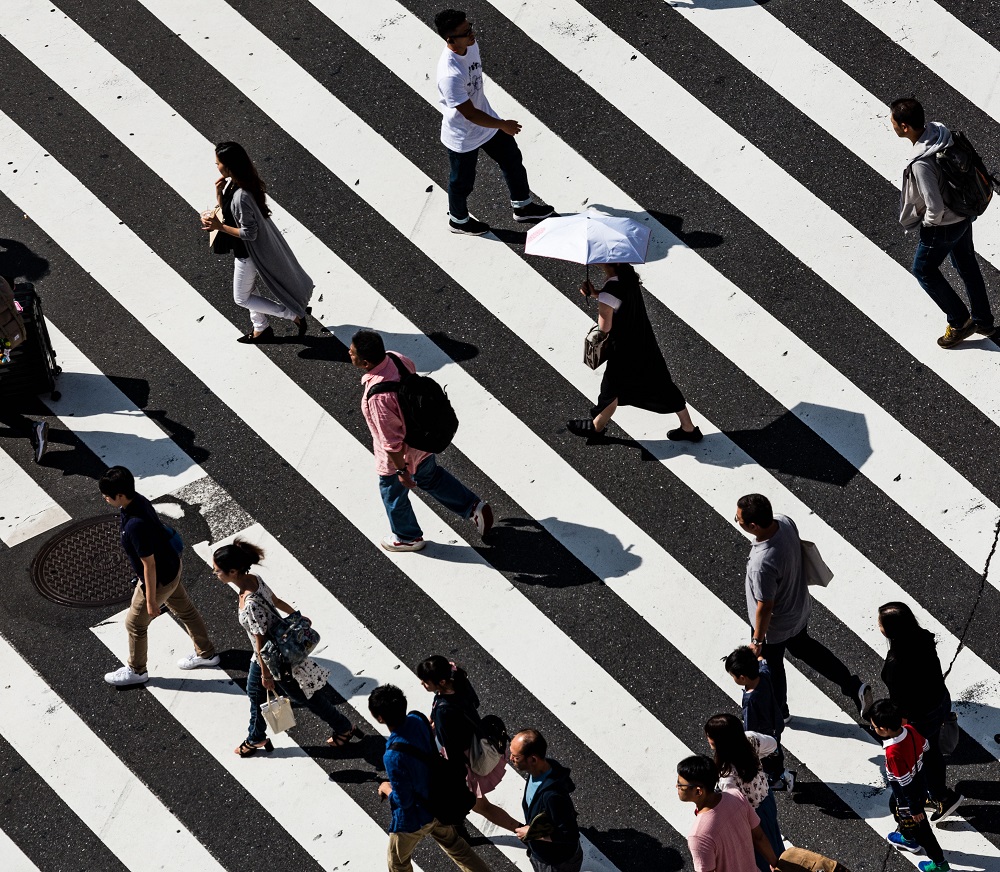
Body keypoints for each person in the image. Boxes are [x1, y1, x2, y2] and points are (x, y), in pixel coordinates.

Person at [212, 538, 359, 756]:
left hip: (273, 658)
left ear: (232, 571)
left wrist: (266, 674)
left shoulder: (249, 603)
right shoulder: (254, 579)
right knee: (256, 695)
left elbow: (260, 641)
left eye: (217, 571)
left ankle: (343, 727)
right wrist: (296, 618)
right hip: (273, 651)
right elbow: (276, 601)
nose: (215, 574)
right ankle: (256, 737)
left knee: (302, 696)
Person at [350, 329, 492, 551]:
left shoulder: (379, 397)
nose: (349, 353)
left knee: (392, 493)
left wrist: (401, 472)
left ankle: (407, 537)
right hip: (421, 441)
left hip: (401, 456)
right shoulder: (396, 358)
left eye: (353, 352)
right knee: (431, 477)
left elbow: (391, 441)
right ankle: (473, 507)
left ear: (365, 361)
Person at [736, 493, 872, 720]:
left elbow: (765, 606)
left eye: (738, 519)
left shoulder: (762, 563)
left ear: (753, 525)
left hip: (775, 627)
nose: (737, 520)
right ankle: (853, 686)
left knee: (773, 668)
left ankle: (780, 712)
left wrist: (757, 641)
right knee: (806, 649)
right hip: (798, 609)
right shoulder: (785, 523)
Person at [434, 9, 553, 236]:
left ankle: (523, 206)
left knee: (512, 160)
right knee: (462, 182)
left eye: (470, 27)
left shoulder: (470, 46)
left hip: (486, 121)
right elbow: (469, 114)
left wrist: (497, 124)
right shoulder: (450, 75)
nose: (472, 34)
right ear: (450, 39)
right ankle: (458, 220)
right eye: (465, 32)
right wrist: (502, 124)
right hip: (463, 135)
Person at [99, 466, 219, 686]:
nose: (105, 499)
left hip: (159, 579)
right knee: (187, 611)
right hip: (172, 567)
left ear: (120, 495)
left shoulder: (135, 525)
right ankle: (207, 653)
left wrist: (152, 601)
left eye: (107, 495)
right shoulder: (139, 501)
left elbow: (149, 565)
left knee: (135, 625)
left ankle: (137, 670)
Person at [891, 97, 995, 348]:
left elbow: (934, 206)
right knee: (967, 265)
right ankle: (983, 320)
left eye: (893, 121)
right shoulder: (941, 134)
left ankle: (959, 321)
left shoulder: (921, 163)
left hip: (944, 225)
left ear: (905, 127)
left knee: (923, 270)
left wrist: (927, 225)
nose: (891, 125)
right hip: (964, 212)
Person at [566, 264, 701, 442]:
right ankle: (688, 428)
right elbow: (619, 301)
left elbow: (604, 328)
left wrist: (600, 302)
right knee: (663, 384)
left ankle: (596, 428)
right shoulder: (628, 278)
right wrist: (598, 294)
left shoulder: (610, 292)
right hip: (643, 341)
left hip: (624, 350)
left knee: (610, 390)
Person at [369, 684, 491, 872]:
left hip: (414, 819)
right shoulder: (417, 719)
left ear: (380, 718)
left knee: (398, 863)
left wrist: (386, 788)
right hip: (439, 803)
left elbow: (405, 800)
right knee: (457, 847)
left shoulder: (392, 755)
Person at [201, 142, 312, 343]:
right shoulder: (236, 183)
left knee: (241, 298)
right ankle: (261, 328)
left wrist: (219, 227)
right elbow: (231, 213)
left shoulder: (241, 194)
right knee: (249, 289)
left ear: (228, 165)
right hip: (244, 251)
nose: (216, 166)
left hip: (248, 254)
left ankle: (292, 314)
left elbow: (249, 233)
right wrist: (219, 196)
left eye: (218, 163)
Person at [878, 602, 963, 823]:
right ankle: (937, 792)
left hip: (921, 715)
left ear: (891, 629)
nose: (878, 625)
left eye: (881, 622)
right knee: (931, 748)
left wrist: (900, 732)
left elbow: (900, 704)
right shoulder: (923, 638)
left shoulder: (896, 663)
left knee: (928, 753)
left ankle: (941, 796)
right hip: (939, 700)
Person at [417, 655, 521, 832]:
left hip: (464, 762)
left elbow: (452, 750)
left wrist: (459, 781)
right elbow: (475, 702)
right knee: (469, 804)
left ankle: (525, 831)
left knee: (481, 807)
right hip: (474, 741)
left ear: (441, 682)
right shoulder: (458, 681)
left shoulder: (444, 710)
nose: (422, 684)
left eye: (425, 681)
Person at [870, 699, 951, 871]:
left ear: (883, 729)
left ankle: (940, 864)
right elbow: (927, 746)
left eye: (874, 727)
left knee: (923, 831)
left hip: (908, 795)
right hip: (919, 782)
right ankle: (908, 838)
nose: (874, 730)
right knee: (894, 806)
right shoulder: (910, 729)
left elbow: (905, 783)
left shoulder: (893, 753)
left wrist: (915, 809)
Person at [704, 713, 782, 872]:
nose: (707, 738)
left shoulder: (727, 777)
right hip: (766, 799)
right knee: (774, 839)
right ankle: (784, 864)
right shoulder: (751, 739)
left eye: (709, 736)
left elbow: (732, 807)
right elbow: (773, 744)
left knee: (760, 854)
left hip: (751, 817)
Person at [677, 754, 779, 872]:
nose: (677, 787)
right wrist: (775, 864)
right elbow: (759, 837)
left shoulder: (698, 836)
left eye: (680, 785)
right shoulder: (736, 797)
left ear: (698, 791)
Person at [509, 729, 583, 872]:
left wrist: (531, 833)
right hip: (542, 854)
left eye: (516, 757)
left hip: (556, 863)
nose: (511, 759)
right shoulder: (539, 770)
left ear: (533, 759)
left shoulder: (553, 796)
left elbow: (570, 834)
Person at [724, 646, 793, 792]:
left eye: (733, 676)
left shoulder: (750, 701)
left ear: (742, 677)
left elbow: (750, 730)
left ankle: (779, 778)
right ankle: (780, 772)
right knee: (776, 750)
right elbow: (763, 663)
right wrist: (758, 653)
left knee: (767, 760)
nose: (733, 679)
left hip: (763, 734)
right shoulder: (764, 676)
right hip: (775, 724)